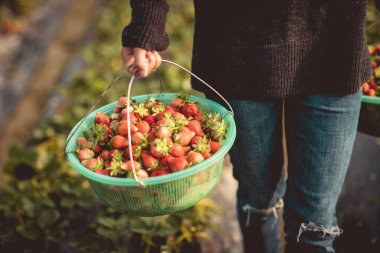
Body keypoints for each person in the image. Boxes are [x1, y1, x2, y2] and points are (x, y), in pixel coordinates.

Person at [120, 1, 380, 252]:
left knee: (314, 227)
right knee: (258, 202)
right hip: (235, 47)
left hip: (334, 41)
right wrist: (146, 20)